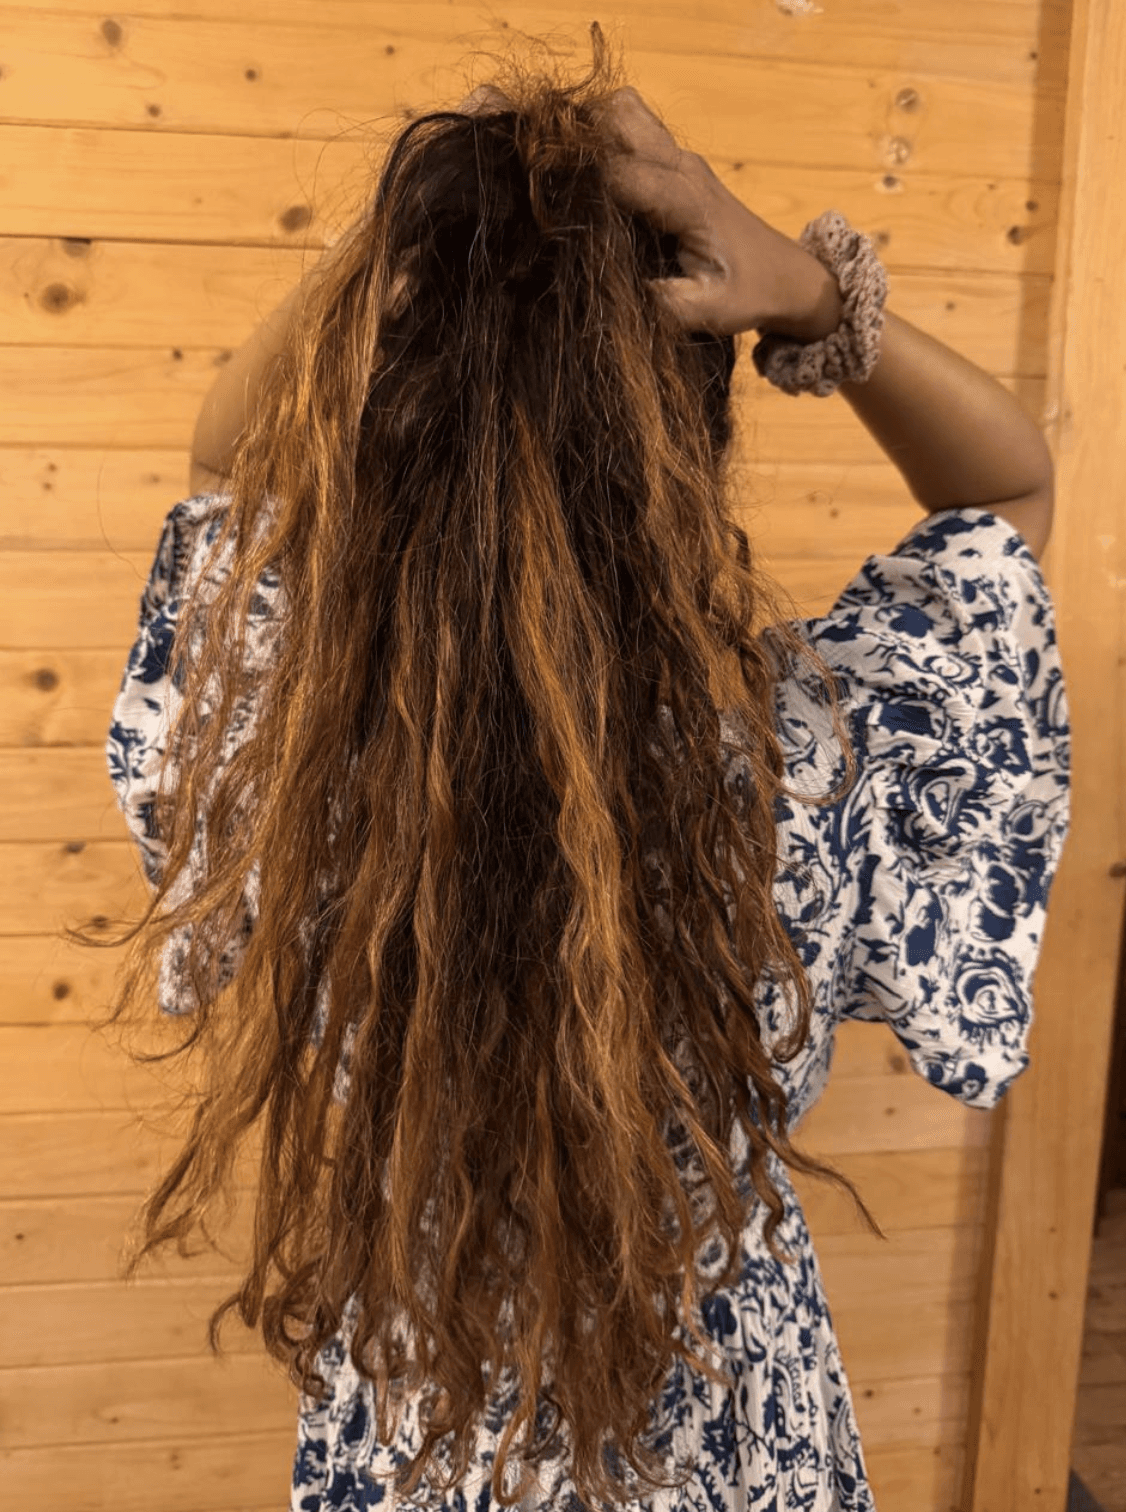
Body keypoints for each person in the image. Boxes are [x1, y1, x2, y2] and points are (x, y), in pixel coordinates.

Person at [91, 30, 1070, 1512]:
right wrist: (809, 288)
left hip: (421, 1434)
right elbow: (1004, 488)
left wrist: (412, 239)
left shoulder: (292, 751)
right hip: (741, 1448)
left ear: (408, 418)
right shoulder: (807, 759)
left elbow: (228, 467)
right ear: (692, 447)